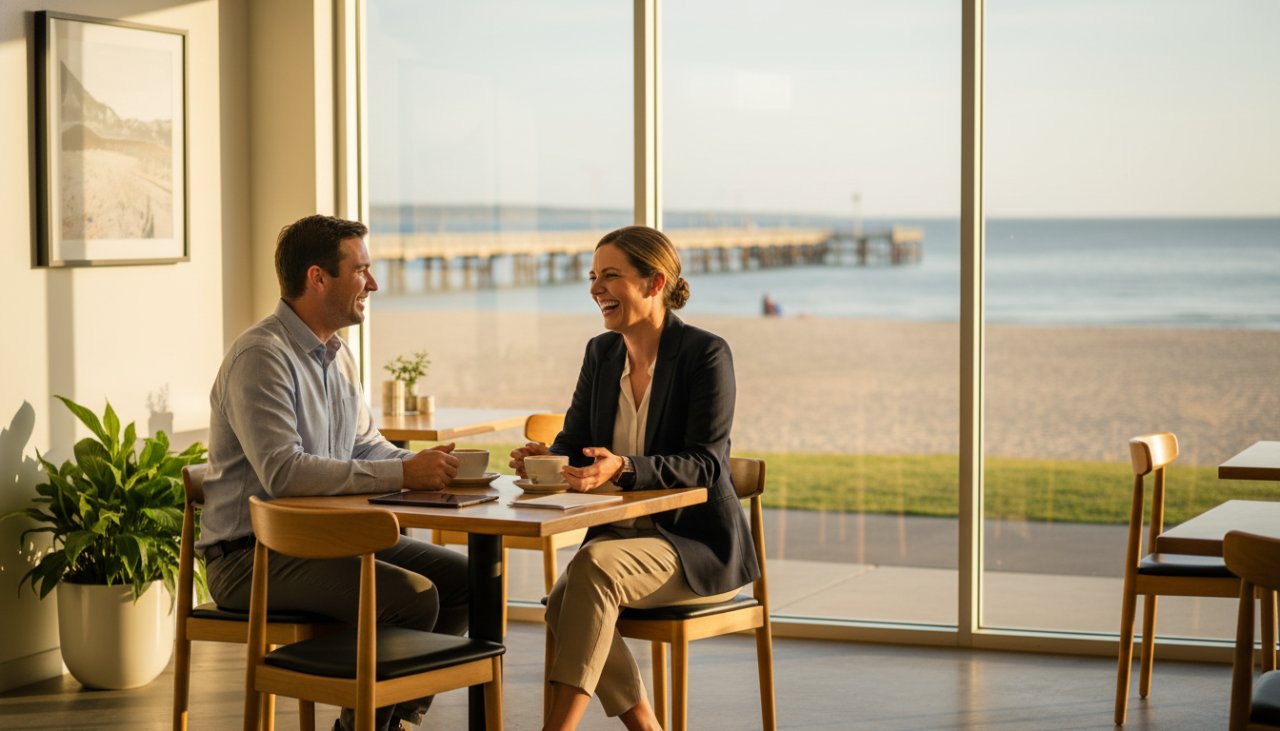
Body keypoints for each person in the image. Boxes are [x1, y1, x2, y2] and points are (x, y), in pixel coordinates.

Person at [198, 214, 468, 731]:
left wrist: (434, 469)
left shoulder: (338, 355)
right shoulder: (262, 356)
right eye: (361, 270)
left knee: (462, 582)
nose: (373, 283)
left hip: (326, 541)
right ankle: (359, 726)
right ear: (318, 278)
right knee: (413, 599)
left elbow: (364, 445)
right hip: (250, 558)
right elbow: (285, 473)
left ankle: (390, 720)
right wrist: (404, 475)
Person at [509, 225, 760, 730]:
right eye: (593, 276)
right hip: (623, 539)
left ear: (653, 283)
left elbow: (708, 464)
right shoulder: (601, 354)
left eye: (611, 276)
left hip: (694, 547)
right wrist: (548, 460)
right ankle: (648, 728)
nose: (595, 288)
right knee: (564, 599)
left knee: (587, 573)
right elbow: (575, 442)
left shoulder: (705, 355)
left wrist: (623, 467)